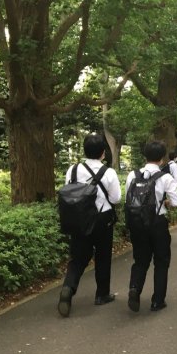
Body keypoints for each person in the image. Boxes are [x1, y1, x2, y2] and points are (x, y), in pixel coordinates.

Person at [58, 133, 122, 317]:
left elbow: (69, 192)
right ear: (103, 152)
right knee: (102, 257)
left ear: (84, 150)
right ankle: (102, 294)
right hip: (102, 219)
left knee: (77, 258)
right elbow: (116, 198)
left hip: (79, 218)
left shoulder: (73, 169)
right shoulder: (108, 172)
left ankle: (68, 288)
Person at [125, 141, 177, 312]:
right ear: (162, 158)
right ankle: (157, 300)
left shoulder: (132, 175)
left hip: (137, 222)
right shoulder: (165, 177)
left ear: (145, 156)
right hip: (157, 222)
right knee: (161, 261)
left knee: (140, 260)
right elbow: (176, 202)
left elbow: (129, 199)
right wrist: (164, 202)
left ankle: (135, 288)